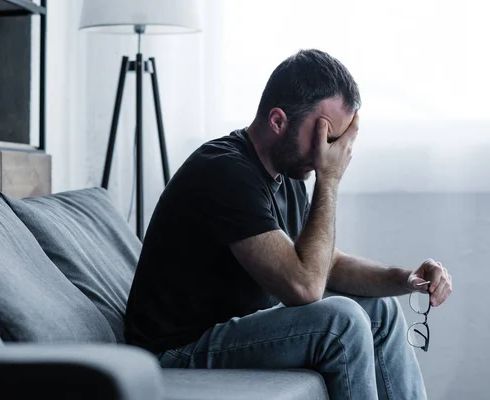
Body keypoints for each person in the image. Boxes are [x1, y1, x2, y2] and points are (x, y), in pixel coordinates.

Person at [124, 49, 453, 400]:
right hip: (175, 350)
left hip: (228, 330)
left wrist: (407, 279)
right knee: (341, 320)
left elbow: (327, 263)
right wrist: (329, 179)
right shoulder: (223, 172)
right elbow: (305, 288)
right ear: (278, 121)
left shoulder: (288, 172)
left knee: (380, 309)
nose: (328, 152)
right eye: (325, 136)